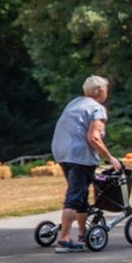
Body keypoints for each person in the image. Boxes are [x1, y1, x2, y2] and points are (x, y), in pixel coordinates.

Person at [50, 75, 120, 252]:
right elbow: (94, 137)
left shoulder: (74, 103)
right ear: (100, 91)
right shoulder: (97, 109)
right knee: (74, 196)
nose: (107, 91)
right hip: (80, 156)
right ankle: (64, 240)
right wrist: (109, 157)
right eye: (106, 88)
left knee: (80, 195)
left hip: (62, 153)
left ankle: (82, 234)